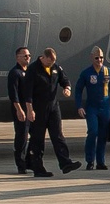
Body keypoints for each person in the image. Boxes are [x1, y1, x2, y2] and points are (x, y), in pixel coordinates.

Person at [22, 48, 82, 177]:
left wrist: (67, 88)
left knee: (58, 135)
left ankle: (65, 163)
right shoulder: (33, 70)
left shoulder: (55, 68)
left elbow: (64, 80)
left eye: (52, 63)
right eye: (48, 62)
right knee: (38, 139)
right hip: (38, 108)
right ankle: (37, 167)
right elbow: (27, 93)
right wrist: (29, 110)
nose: (50, 65)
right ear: (43, 58)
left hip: (53, 107)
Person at [75, 46, 110, 170]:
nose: (99, 60)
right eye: (96, 58)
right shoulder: (86, 73)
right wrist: (79, 106)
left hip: (105, 107)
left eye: (101, 58)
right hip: (92, 107)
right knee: (93, 132)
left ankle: (101, 161)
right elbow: (78, 90)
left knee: (103, 135)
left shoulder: (109, 72)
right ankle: (90, 160)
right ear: (91, 58)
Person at [7, 46, 32, 174]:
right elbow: (13, 94)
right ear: (18, 58)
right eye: (25, 56)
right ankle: (20, 164)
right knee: (22, 137)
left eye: (29, 56)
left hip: (31, 110)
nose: (28, 58)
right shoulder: (15, 73)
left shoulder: (30, 72)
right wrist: (19, 110)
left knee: (35, 136)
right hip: (21, 110)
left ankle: (30, 161)